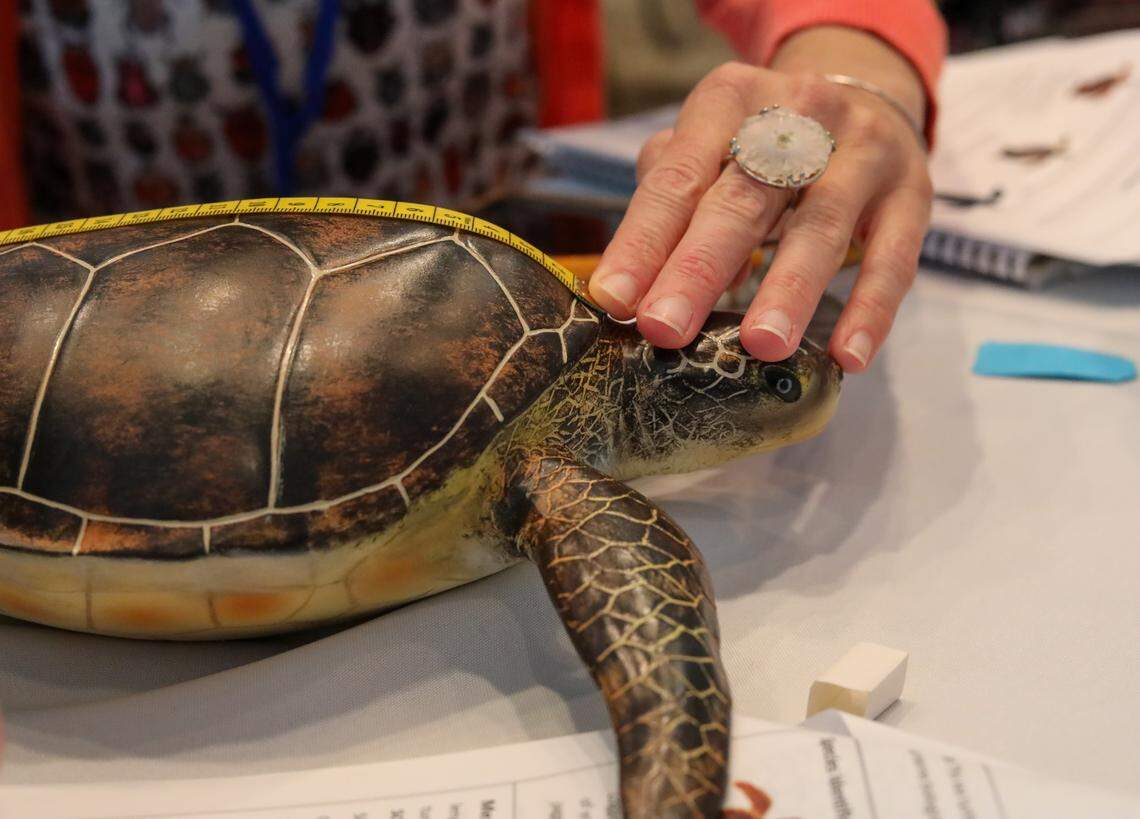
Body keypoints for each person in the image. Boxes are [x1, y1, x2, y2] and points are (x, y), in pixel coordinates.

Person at [0, 0, 945, 759]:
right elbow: (635, 581)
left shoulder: (543, 380)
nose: (803, 385)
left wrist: (854, 66)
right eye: (776, 384)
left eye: (775, 376)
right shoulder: (555, 471)